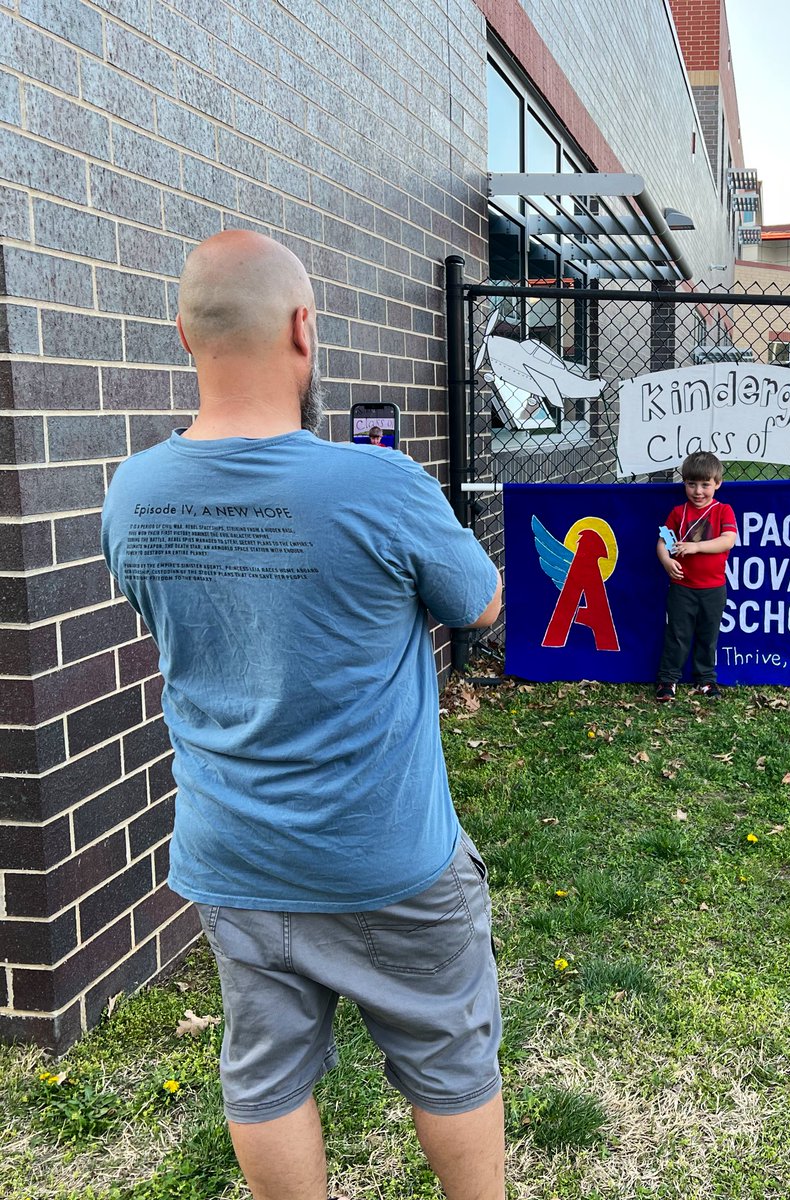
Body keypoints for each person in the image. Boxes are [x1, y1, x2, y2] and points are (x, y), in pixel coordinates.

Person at [101, 230, 505, 1200]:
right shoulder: (381, 484)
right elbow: (482, 604)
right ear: (302, 328)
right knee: (452, 1063)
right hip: (388, 859)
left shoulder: (132, 494)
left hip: (234, 859)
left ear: (185, 335)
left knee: (265, 1077)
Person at [654, 450, 737, 702]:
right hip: (682, 587)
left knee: (708, 635)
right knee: (677, 635)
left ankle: (706, 679)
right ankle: (668, 680)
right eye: (691, 484)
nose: (698, 491)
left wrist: (696, 546)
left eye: (705, 485)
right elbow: (663, 542)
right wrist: (666, 561)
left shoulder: (723, 510)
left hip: (713, 589)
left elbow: (728, 540)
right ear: (684, 483)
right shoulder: (678, 512)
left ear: (717, 484)